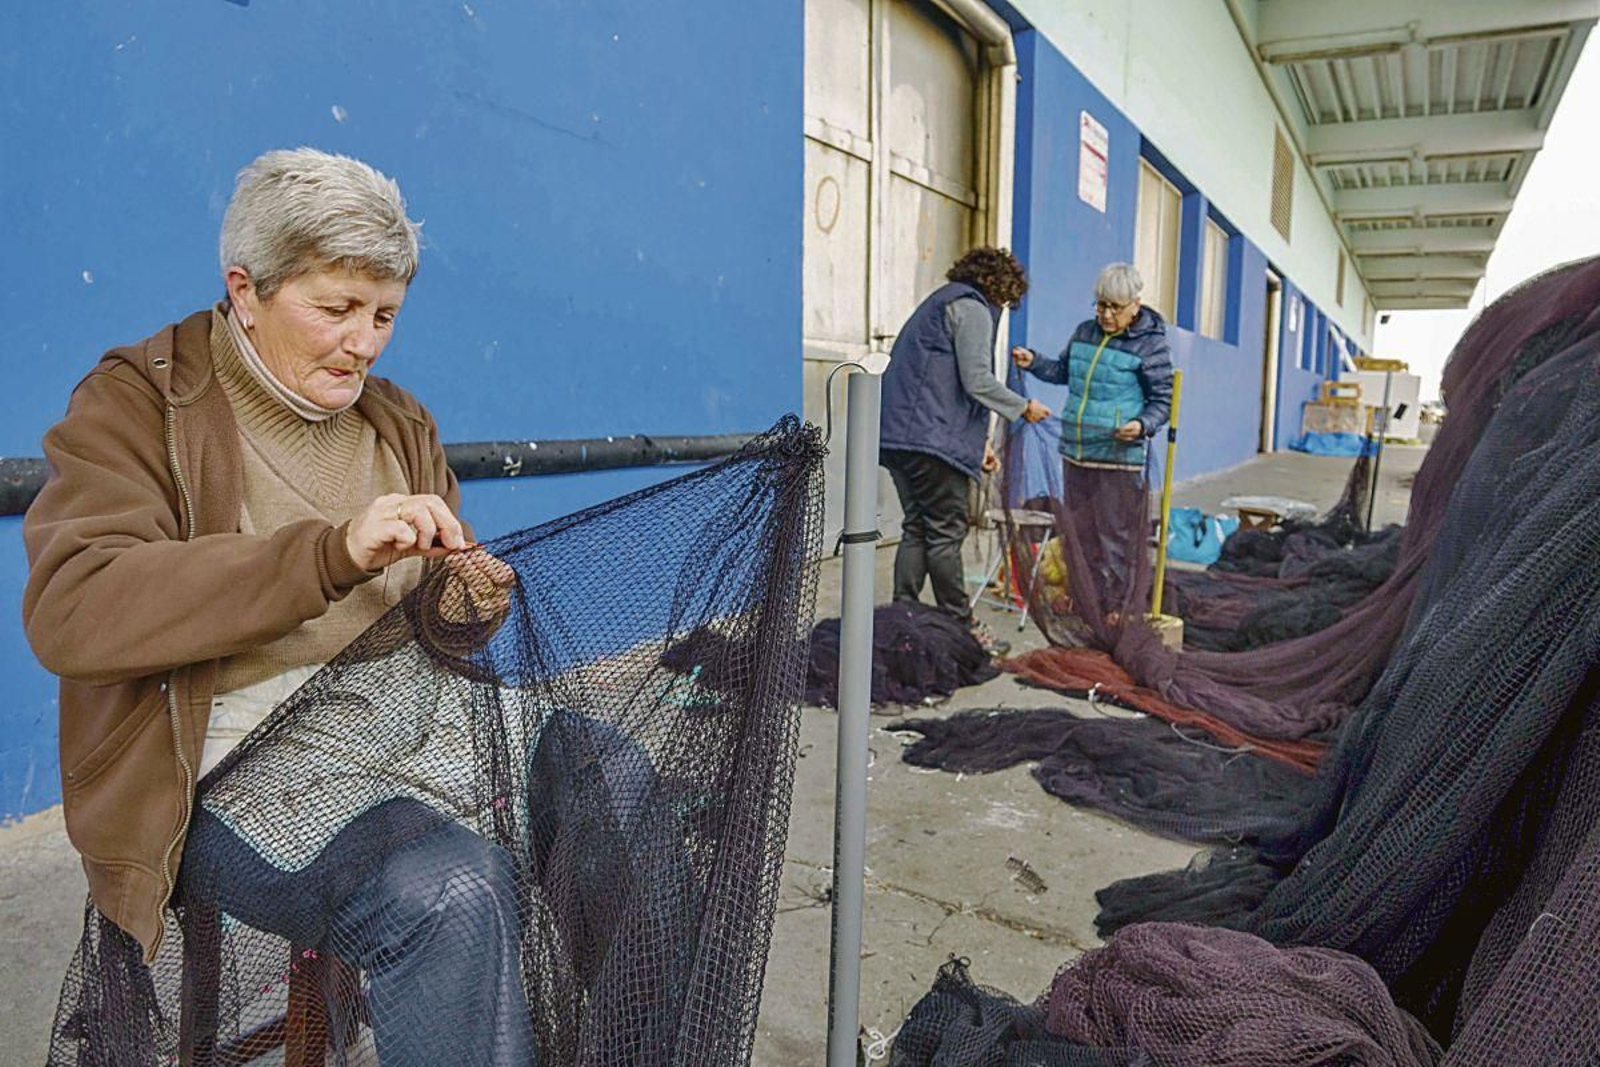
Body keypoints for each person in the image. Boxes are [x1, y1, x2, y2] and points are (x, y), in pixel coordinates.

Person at [23, 148, 532, 1065]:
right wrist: (329, 553)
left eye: (384, 315)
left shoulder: (397, 420)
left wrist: (462, 601)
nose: (364, 343)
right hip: (216, 754)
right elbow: (73, 606)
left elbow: (434, 611)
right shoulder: (138, 405)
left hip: (396, 719)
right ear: (244, 290)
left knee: (618, 786)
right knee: (450, 893)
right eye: (334, 309)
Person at [879, 246, 1051, 656]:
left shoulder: (940, 303)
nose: (1005, 308)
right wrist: (1023, 407)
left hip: (900, 436)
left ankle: (902, 618)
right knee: (945, 533)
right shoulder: (970, 307)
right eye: (1008, 300)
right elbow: (976, 380)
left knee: (917, 526)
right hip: (929, 440)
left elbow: (943, 385)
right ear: (999, 287)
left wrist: (980, 447)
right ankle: (961, 626)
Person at [1011, 262, 1174, 622]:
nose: (1106, 314)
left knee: (1115, 536)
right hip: (1076, 453)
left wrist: (1141, 425)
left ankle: (1117, 606)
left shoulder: (1152, 345)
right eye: (1101, 305)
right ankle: (1085, 598)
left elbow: (1163, 401)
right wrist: (1035, 362)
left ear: (1135, 304)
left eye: (1115, 307)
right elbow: (1063, 372)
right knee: (1080, 534)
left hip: (1119, 457)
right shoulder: (1085, 332)